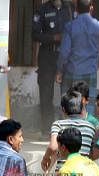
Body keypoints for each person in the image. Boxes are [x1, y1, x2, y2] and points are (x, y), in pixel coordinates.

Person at [56, 0, 99, 115]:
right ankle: (86, 129)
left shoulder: (70, 26)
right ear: (91, 8)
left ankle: (68, 129)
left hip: (71, 71)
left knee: (68, 102)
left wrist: (59, 71)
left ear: (76, 10)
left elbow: (64, 53)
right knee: (89, 103)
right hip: (90, 71)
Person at [32, 0, 75, 135]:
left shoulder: (70, 8)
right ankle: (47, 130)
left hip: (67, 56)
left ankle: (69, 130)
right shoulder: (42, 9)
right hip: (47, 57)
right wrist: (53, 37)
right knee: (46, 94)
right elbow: (34, 34)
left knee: (70, 95)